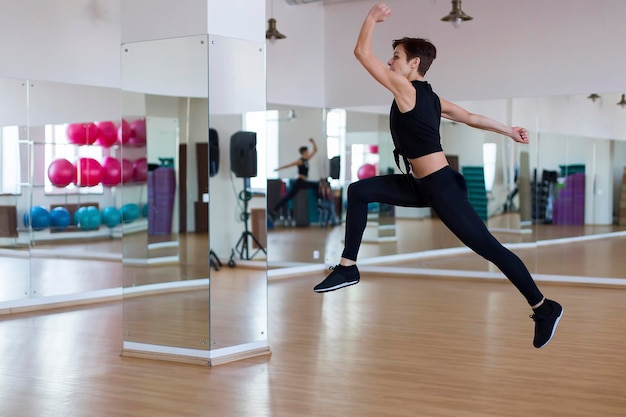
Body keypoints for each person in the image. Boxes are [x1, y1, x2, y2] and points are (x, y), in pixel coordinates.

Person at [313, 2, 563, 349]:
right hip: (421, 184)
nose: (390, 63)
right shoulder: (430, 98)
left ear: (414, 64)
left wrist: (371, 18)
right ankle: (348, 266)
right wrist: (508, 130)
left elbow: (361, 52)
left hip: (441, 187)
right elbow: (471, 117)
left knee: (490, 248)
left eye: (396, 56)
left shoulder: (408, 90)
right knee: (358, 191)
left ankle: (544, 308)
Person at [271, 138, 319, 218]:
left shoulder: (306, 159)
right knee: (289, 196)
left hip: (302, 182)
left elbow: (315, 150)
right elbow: (289, 165)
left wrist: (313, 142)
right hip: (300, 182)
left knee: (289, 196)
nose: (308, 153)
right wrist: (278, 169)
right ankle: (275, 209)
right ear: (303, 152)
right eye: (307, 151)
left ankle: (275, 209)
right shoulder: (300, 161)